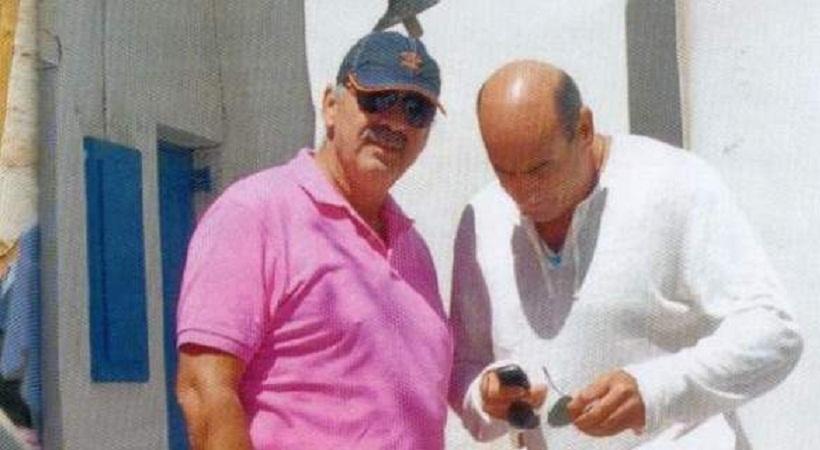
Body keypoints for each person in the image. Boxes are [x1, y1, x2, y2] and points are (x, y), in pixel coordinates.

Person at [449, 60, 803, 449]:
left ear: (584, 129)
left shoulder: (674, 184)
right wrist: (486, 397)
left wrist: (655, 391)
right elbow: (465, 368)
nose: (523, 192)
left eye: (540, 169)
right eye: (504, 172)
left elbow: (774, 333)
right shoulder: (483, 218)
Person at [175, 31, 452, 450]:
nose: (396, 122)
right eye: (379, 100)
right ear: (330, 106)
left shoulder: (415, 250)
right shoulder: (255, 213)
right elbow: (204, 391)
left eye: (417, 110)